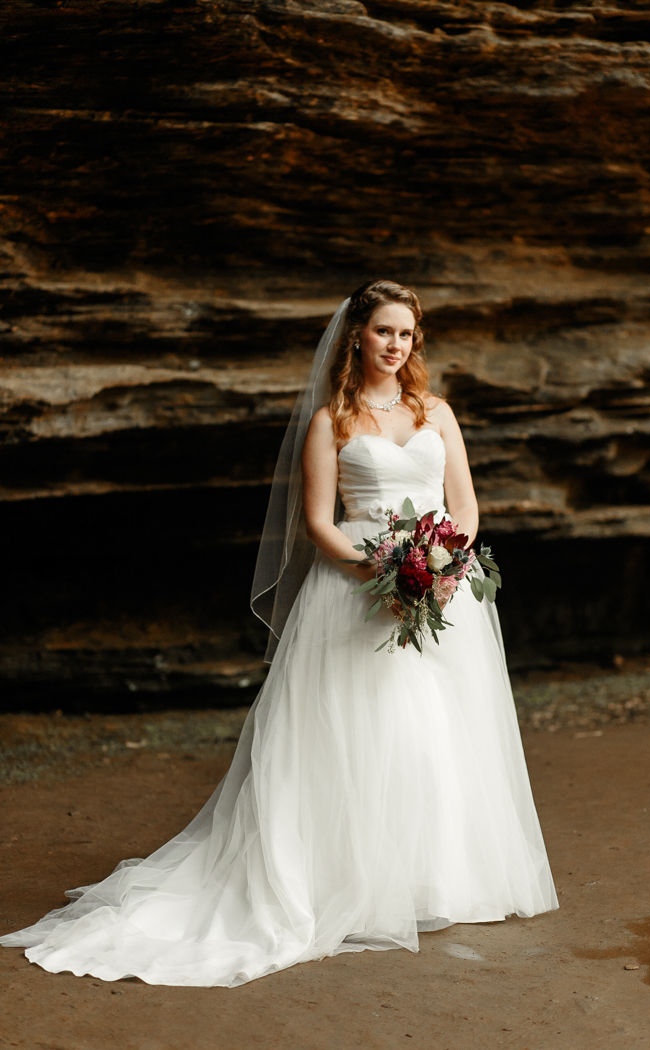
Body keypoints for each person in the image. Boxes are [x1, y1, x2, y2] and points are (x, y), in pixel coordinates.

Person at [0, 280, 558, 987]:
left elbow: (467, 506)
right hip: (358, 588)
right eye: (384, 332)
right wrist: (387, 565)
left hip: (439, 586)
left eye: (407, 335)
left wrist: (439, 560)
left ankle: (431, 877)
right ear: (357, 335)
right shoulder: (332, 421)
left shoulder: (436, 412)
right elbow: (320, 523)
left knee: (434, 731)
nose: (396, 345)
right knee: (358, 732)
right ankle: (342, 876)